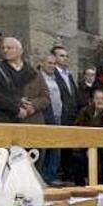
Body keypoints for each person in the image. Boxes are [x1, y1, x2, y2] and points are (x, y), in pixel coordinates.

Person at [74, 89, 103, 184]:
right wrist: (87, 146)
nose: (100, 101)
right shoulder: (84, 111)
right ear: (93, 100)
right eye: (97, 98)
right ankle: (80, 187)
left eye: (102, 98)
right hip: (85, 144)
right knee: (76, 155)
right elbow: (78, 128)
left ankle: (100, 185)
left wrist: (92, 147)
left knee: (96, 156)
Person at [1, 37, 48, 124]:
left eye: (9, 48)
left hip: (32, 120)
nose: (5, 50)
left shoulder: (34, 73)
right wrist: (18, 102)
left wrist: (33, 105)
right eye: (3, 48)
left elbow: (45, 97)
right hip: (8, 119)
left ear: (20, 51)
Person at [52, 45, 80, 182]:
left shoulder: (68, 74)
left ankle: (68, 173)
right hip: (60, 115)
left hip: (71, 116)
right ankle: (58, 173)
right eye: (61, 55)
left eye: (66, 56)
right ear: (54, 57)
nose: (64, 58)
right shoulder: (53, 74)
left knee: (69, 147)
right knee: (59, 147)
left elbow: (73, 94)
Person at [38, 54, 63, 184]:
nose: (52, 66)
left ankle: (51, 175)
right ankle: (43, 176)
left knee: (55, 147)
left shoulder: (56, 78)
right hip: (44, 116)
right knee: (44, 148)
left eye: (54, 63)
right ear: (42, 63)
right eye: (49, 63)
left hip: (57, 116)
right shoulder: (37, 78)